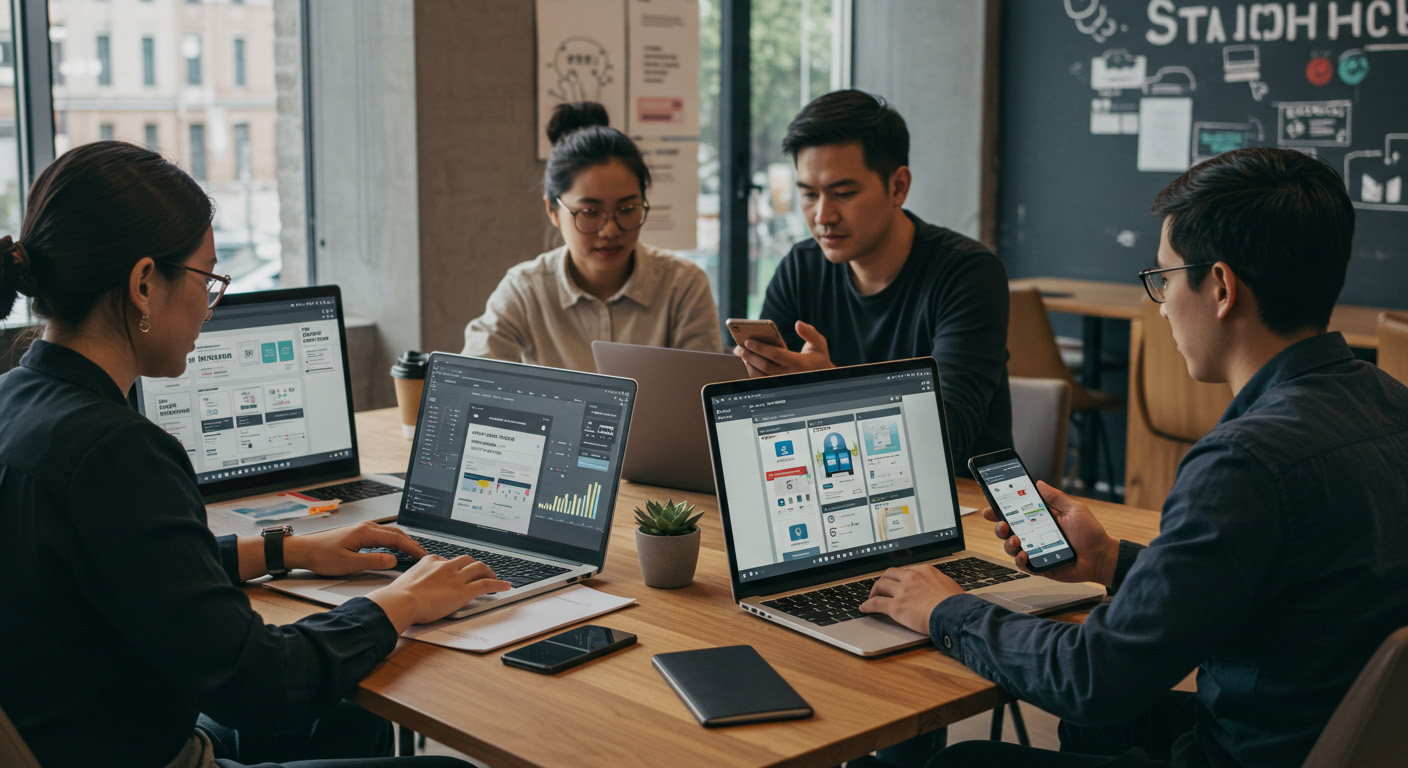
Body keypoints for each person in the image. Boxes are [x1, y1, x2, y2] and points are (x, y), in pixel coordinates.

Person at [860, 147, 1408, 767]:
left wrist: (946, 608)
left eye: (1164, 278)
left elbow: (1095, 677)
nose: (1163, 302)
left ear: (1221, 287)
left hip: (1248, 753)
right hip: (1330, 736)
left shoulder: (1244, 460)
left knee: (960, 763)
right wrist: (1110, 559)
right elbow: (1276, 579)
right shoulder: (1392, 404)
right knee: (1106, 730)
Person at [0, 141, 508, 768]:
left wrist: (283, 550)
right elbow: (262, 684)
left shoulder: (17, 399)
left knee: (348, 717)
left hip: (77, 732)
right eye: (207, 279)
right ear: (142, 285)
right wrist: (400, 601)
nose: (211, 307)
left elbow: (126, 568)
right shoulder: (115, 449)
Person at [735, 90, 1012, 464]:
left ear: (898, 187)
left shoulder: (968, 274)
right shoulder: (801, 267)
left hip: (965, 501)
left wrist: (829, 387)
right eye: (809, 194)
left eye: (843, 193)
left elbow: (948, 439)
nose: (823, 216)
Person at [463, 101, 721, 371]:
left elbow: (702, 396)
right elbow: (471, 380)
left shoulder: (682, 286)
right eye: (590, 211)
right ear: (553, 210)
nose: (610, 230)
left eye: (627, 209)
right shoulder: (526, 289)